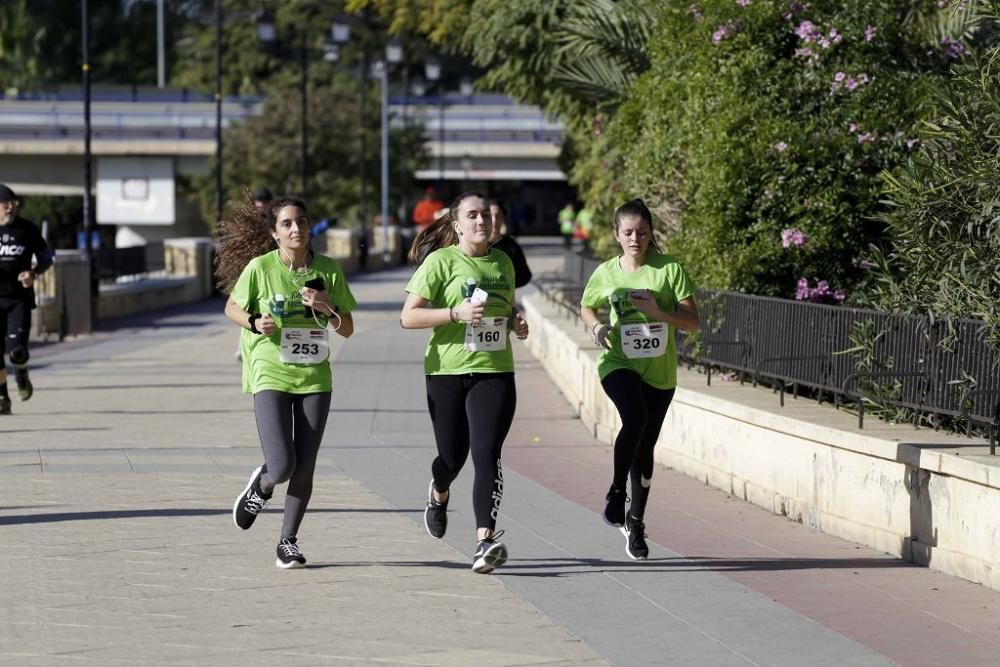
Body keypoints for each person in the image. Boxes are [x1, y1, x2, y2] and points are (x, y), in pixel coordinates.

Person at [217, 195, 357, 569]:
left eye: (302, 222)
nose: (296, 229)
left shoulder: (327, 270)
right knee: (282, 465)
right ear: (274, 232)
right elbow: (232, 306)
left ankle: (287, 542)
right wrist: (253, 322)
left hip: (314, 376)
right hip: (271, 370)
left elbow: (348, 330)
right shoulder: (261, 268)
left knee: (305, 466)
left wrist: (327, 307)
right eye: (287, 224)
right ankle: (261, 486)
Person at [400, 192, 530, 574]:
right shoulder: (440, 262)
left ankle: (484, 541)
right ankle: (439, 493)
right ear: (457, 224)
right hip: (446, 371)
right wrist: (455, 312)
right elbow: (408, 317)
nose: (481, 221)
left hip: (495, 371)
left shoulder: (503, 262)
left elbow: (505, 308)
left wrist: (515, 322)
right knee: (451, 458)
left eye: (486, 215)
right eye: (472, 216)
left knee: (486, 453)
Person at [579, 198, 700, 560]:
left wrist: (658, 312)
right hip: (618, 361)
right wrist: (598, 327)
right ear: (617, 234)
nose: (636, 239)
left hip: (659, 372)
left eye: (642, 232)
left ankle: (636, 522)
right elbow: (587, 306)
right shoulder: (606, 273)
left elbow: (693, 322)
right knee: (635, 417)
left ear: (651, 234)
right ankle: (617, 492)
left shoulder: (669, 270)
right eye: (628, 232)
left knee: (644, 448)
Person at [0, 184, 53, 415]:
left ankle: (21, 372)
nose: (10, 206)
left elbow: (47, 258)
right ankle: (2, 396)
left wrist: (33, 273)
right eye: (5, 203)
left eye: (13, 202)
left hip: (18, 300)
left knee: (17, 351)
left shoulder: (27, 230)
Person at [488, 200, 532, 289]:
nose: (494, 220)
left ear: (503, 218)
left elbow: (525, 276)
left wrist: (504, 284)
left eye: (498, 216)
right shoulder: (473, 244)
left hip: (502, 299)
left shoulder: (511, 245)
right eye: (489, 216)